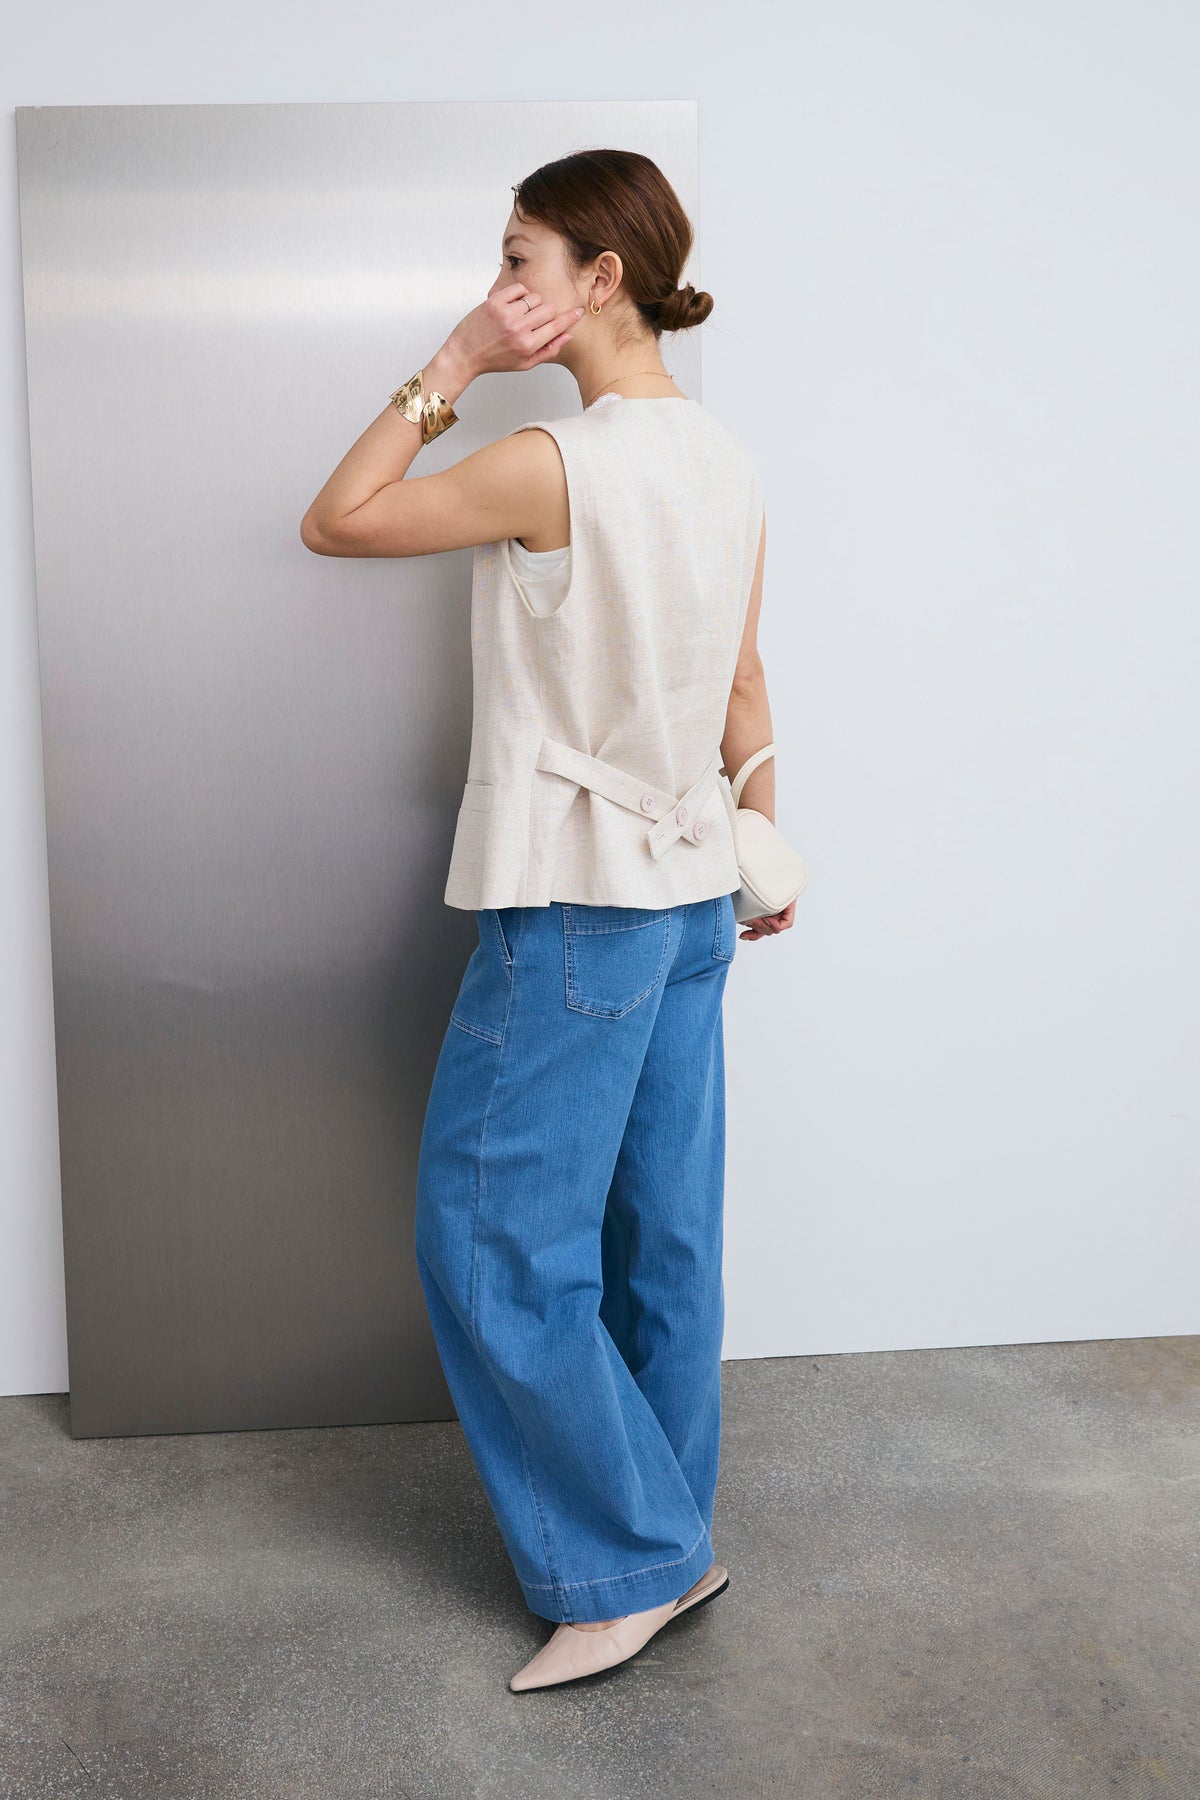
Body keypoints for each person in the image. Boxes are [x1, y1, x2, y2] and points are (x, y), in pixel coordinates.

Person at [301, 147, 796, 1691]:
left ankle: (627, 1563)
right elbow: (742, 683)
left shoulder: (554, 463)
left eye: (520, 259)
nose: (502, 284)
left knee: (492, 1242)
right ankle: (667, 1534)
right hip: (694, 891)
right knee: (664, 1240)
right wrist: (768, 835)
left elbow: (337, 518)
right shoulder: (724, 459)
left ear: (602, 276)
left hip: (579, 906)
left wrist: (456, 360)